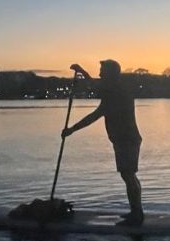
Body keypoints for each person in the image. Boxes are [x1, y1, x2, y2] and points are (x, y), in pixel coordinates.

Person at [62, 59, 144, 226]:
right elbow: (96, 111)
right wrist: (72, 130)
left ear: (110, 74)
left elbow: (94, 109)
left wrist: (82, 72)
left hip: (127, 139)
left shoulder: (117, 92)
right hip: (123, 139)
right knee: (128, 175)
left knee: (128, 175)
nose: (100, 74)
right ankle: (136, 212)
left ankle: (137, 214)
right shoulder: (112, 92)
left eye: (102, 71)